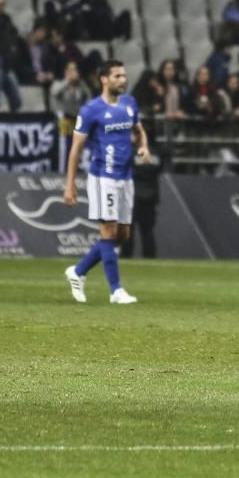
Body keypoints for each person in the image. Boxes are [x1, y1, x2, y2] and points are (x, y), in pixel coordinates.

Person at [63, 60, 150, 306]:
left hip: (125, 177)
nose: (123, 80)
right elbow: (75, 148)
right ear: (104, 79)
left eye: (124, 75)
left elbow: (139, 130)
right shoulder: (91, 110)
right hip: (103, 177)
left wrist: (143, 146)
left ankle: (78, 271)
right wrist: (70, 184)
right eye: (117, 76)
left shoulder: (129, 103)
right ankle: (116, 291)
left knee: (122, 234)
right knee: (108, 231)